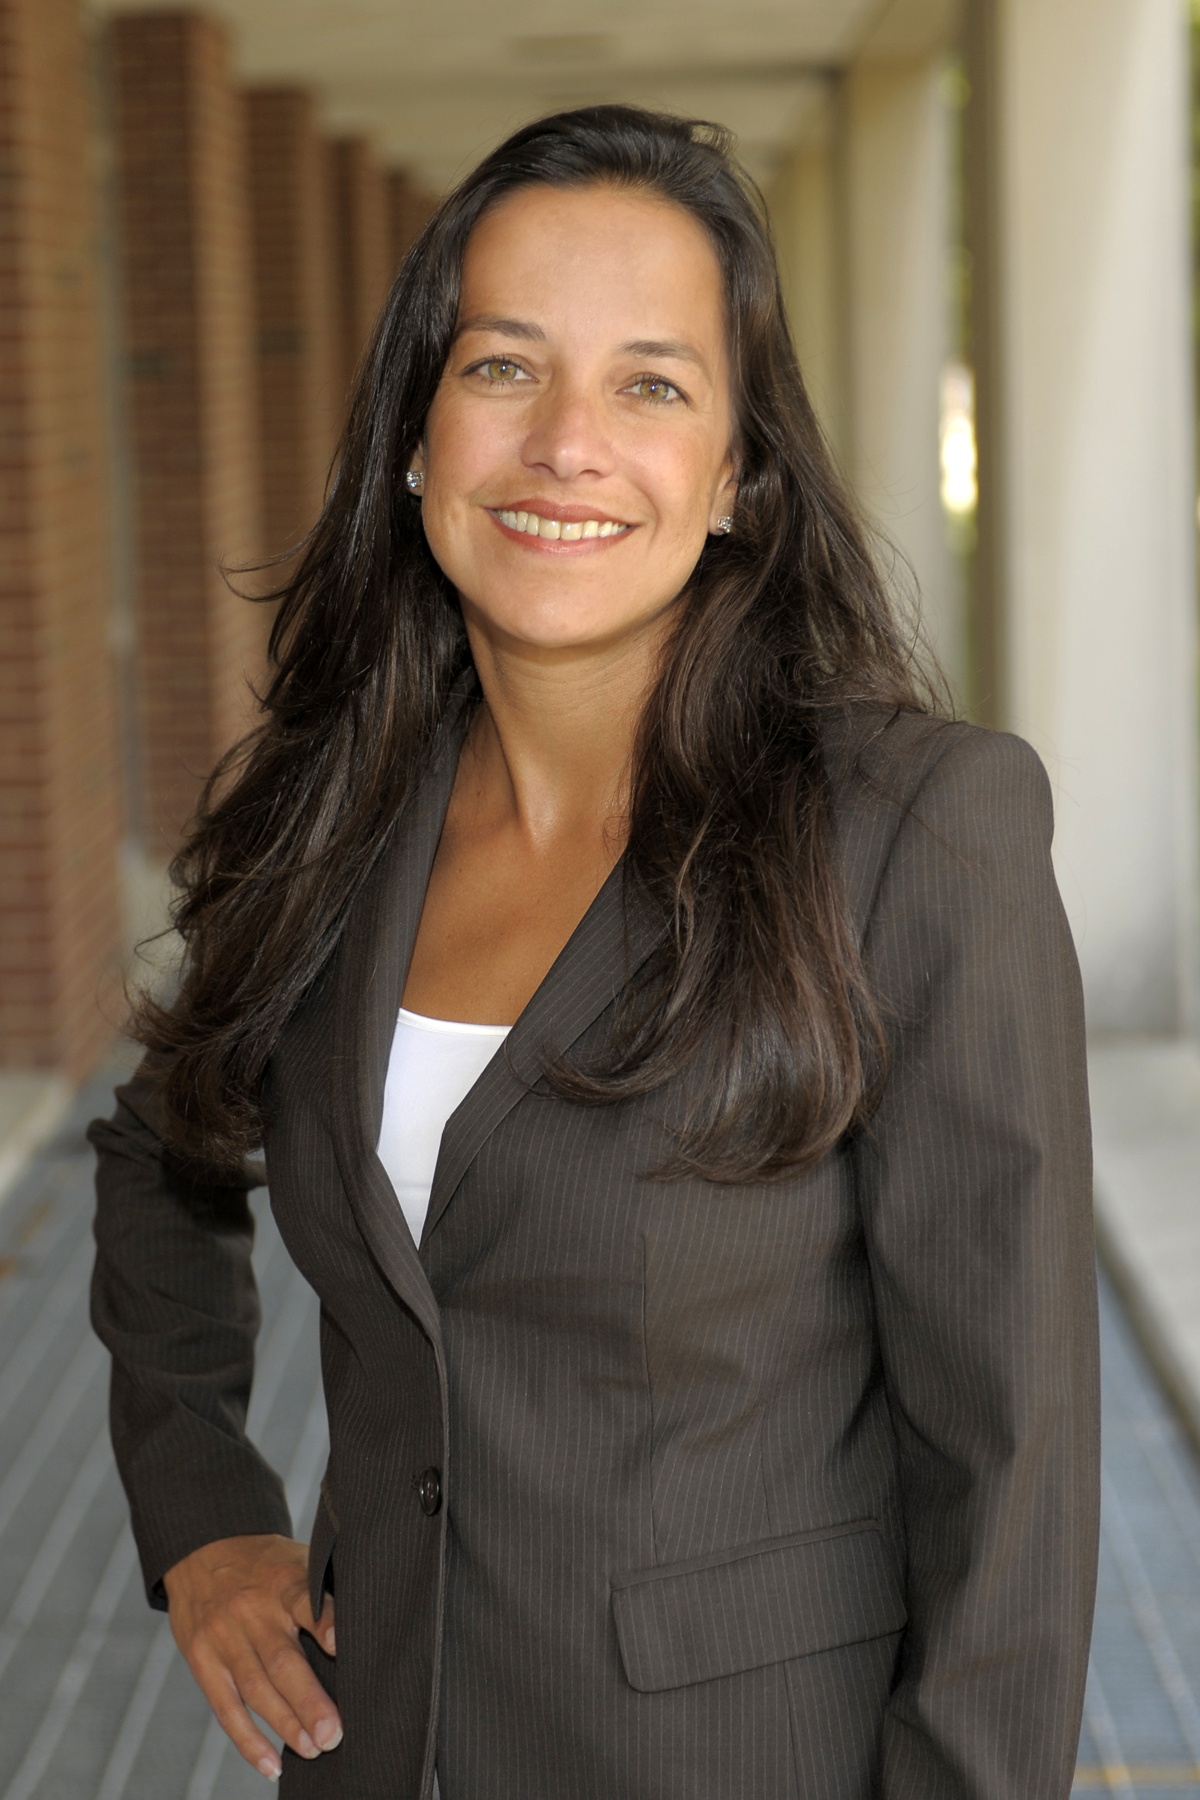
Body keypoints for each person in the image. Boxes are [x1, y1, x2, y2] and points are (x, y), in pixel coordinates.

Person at [90, 104, 1099, 1800]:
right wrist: (202, 1518)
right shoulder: (342, 816)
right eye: (502, 368)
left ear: (738, 474)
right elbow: (160, 1146)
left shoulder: (914, 836)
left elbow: (1012, 1475)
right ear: (417, 435)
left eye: (651, 384)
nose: (567, 442)